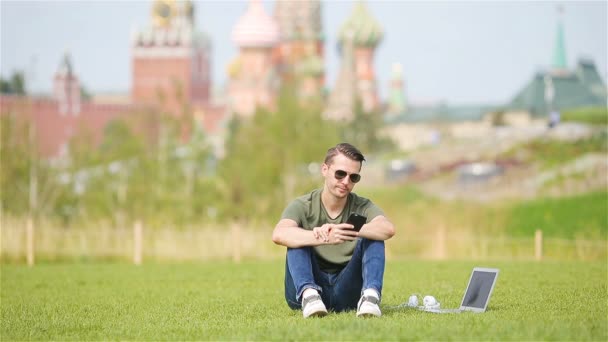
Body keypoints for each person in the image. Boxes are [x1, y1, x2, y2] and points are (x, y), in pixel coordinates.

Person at [272, 143, 395, 318]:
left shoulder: (363, 205)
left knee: (375, 236)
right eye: (340, 174)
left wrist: (351, 230)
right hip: (304, 293)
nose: (346, 181)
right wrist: (323, 236)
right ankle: (309, 295)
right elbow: (279, 234)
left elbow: (388, 229)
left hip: (347, 291)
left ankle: (370, 298)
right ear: (325, 169)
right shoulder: (303, 205)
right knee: (296, 236)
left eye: (353, 177)